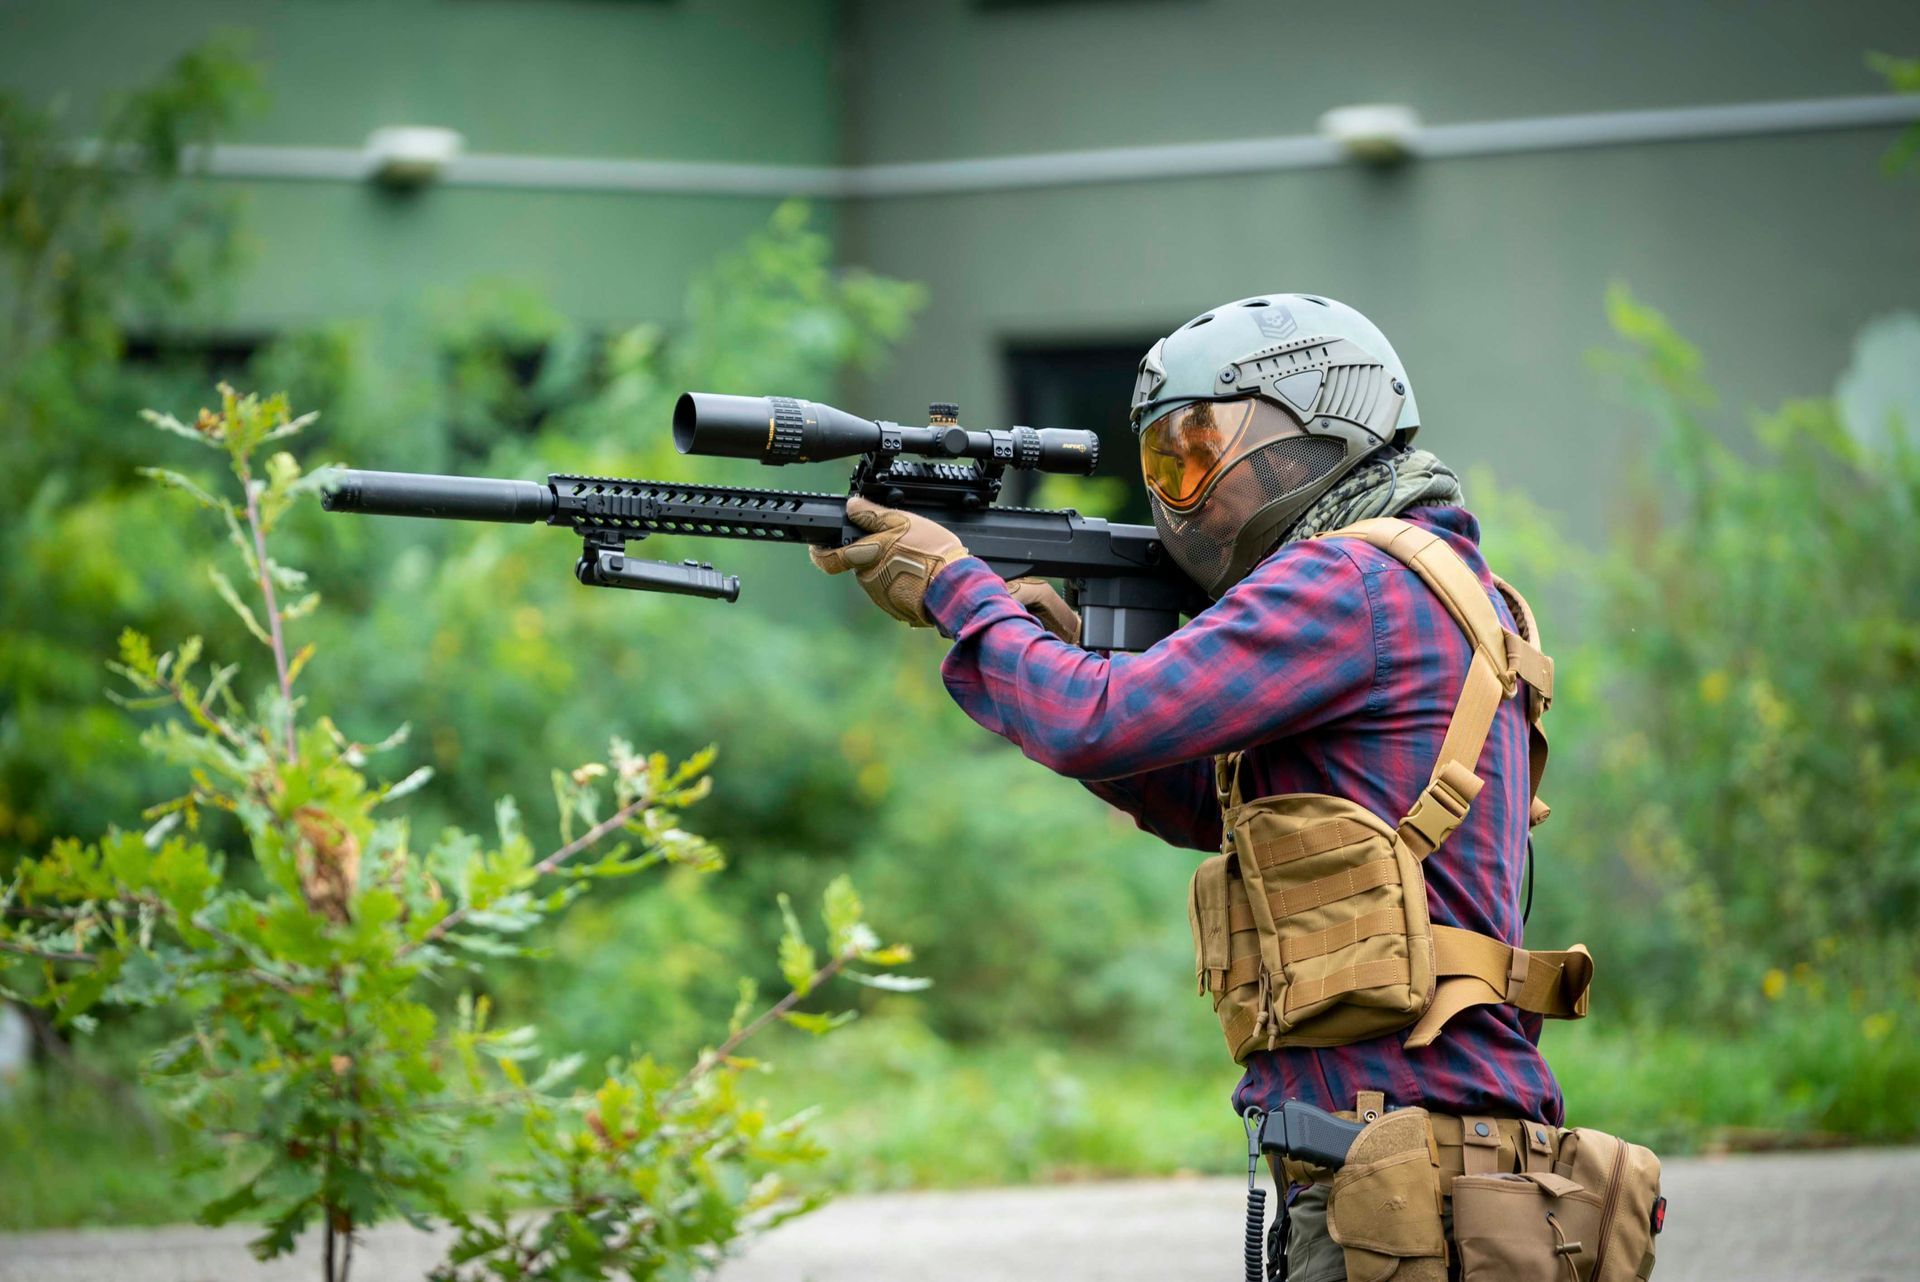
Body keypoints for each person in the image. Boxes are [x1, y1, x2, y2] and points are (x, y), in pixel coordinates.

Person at [812, 294, 1595, 1282]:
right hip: (1408, 1166)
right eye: (1162, 462)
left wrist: (956, 590)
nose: (1182, 495)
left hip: (1412, 1175)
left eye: (1200, 453)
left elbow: (1101, 716)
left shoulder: (1350, 579)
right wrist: (1040, 646)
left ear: (1317, 429)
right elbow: (1207, 802)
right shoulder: (1421, 582)